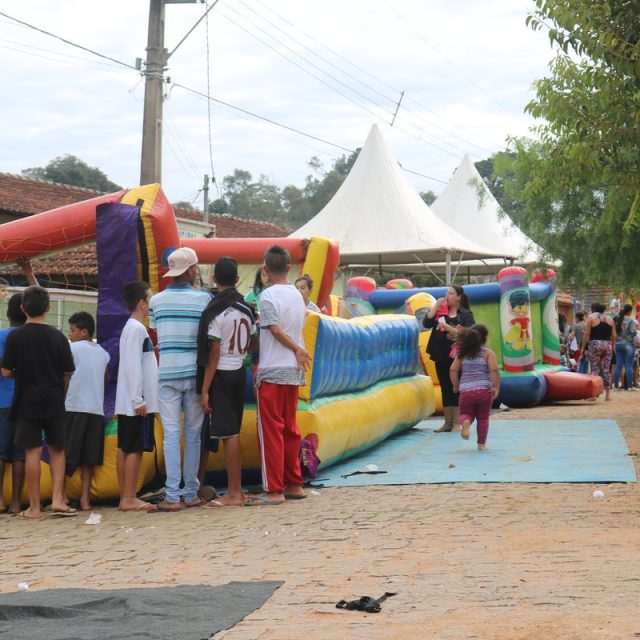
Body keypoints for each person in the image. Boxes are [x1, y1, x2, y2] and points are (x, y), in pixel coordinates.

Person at [0, 286, 76, 519]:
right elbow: (68, 371)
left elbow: (6, 371)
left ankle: (34, 508)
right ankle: (57, 500)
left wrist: (22, 372)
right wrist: (60, 389)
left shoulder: (15, 337)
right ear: (48, 308)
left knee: (32, 452)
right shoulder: (58, 336)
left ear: (23, 309)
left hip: (26, 400)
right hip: (54, 398)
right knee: (57, 450)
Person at [149, 247, 212, 511]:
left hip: (166, 374)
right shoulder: (204, 299)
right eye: (195, 267)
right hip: (195, 374)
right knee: (193, 435)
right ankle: (191, 493)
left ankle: (172, 496)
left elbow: (155, 331)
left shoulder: (156, 301)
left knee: (171, 435)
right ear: (190, 271)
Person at [247, 245, 311, 506]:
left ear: (265, 269)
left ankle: (274, 489)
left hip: (273, 370)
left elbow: (274, 329)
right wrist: (297, 350)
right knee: (290, 428)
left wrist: (296, 349)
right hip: (292, 372)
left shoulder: (268, 296)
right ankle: (294, 483)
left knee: (271, 431)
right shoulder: (297, 295)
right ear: (289, 268)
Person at [198, 257, 257, 507]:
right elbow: (254, 342)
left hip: (221, 374)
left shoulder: (215, 311)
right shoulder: (247, 309)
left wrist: (204, 389)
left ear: (214, 280)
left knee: (229, 435)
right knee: (233, 431)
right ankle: (237, 491)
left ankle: (234, 492)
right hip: (239, 372)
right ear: (237, 279)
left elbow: (213, 355)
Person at [114, 282, 158, 513]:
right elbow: (132, 365)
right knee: (134, 449)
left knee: (125, 447)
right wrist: (138, 399)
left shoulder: (132, 328)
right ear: (142, 303)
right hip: (135, 401)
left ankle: (126, 495)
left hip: (130, 399)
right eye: (150, 298)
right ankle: (129, 497)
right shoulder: (136, 329)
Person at [64, 311, 110, 511]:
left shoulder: (72, 348)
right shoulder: (104, 353)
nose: (70, 334)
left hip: (74, 407)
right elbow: (106, 379)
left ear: (84, 332)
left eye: (73, 330)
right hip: (96, 410)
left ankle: (62, 496)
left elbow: (65, 375)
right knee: (88, 460)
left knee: (66, 455)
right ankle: (85, 500)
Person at [423, 285, 475, 433]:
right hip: (440, 354)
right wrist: (436, 306)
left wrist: (447, 327)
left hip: (457, 356)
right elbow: (426, 324)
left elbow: (469, 334)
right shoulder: (440, 311)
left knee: (456, 387)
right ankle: (447, 422)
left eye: (451, 293)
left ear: (459, 297)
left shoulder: (465, 314)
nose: (447, 296)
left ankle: (457, 422)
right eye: (447, 293)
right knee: (445, 387)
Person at [450, 325, 500, 451]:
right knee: (483, 418)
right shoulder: (488, 353)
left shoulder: (462, 354)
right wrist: (496, 387)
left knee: (465, 413)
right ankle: (481, 445)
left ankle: (466, 423)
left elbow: (453, 369)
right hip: (484, 391)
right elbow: (494, 370)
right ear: (485, 339)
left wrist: (456, 385)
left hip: (466, 391)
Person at [0, 294, 27, 514]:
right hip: (26, 403)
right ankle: (17, 502)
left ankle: (0, 500)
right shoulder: (31, 336)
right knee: (20, 454)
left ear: (8, 313)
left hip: (4, 401)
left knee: (1, 452)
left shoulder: (2, 336)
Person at [581, 302, 616, 401]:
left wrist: (583, 347)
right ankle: (608, 396)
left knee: (595, 368)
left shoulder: (591, 318)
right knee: (606, 369)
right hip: (607, 345)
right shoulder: (610, 319)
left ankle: (593, 395)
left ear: (593, 309)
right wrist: (612, 346)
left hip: (595, 344)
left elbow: (587, 334)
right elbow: (614, 335)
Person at [613, 304, 636, 391]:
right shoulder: (630, 320)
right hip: (628, 345)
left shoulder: (617, 319)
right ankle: (630, 386)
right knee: (628, 365)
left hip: (618, 344)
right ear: (629, 311)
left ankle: (615, 386)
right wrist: (630, 340)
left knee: (618, 365)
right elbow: (633, 332)